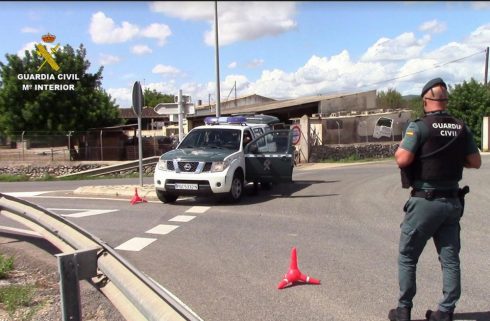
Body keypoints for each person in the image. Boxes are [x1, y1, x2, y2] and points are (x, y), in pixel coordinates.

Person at [388, 78, 481, 321]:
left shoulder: (419, 127)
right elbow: (475, 162)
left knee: (408, 255)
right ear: (446, 100)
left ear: (426, 101)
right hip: (452, 203)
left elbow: (403, 159)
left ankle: (403, 309)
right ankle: (445, 311)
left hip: (425, 202)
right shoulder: (461, 128)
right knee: (450, 259)